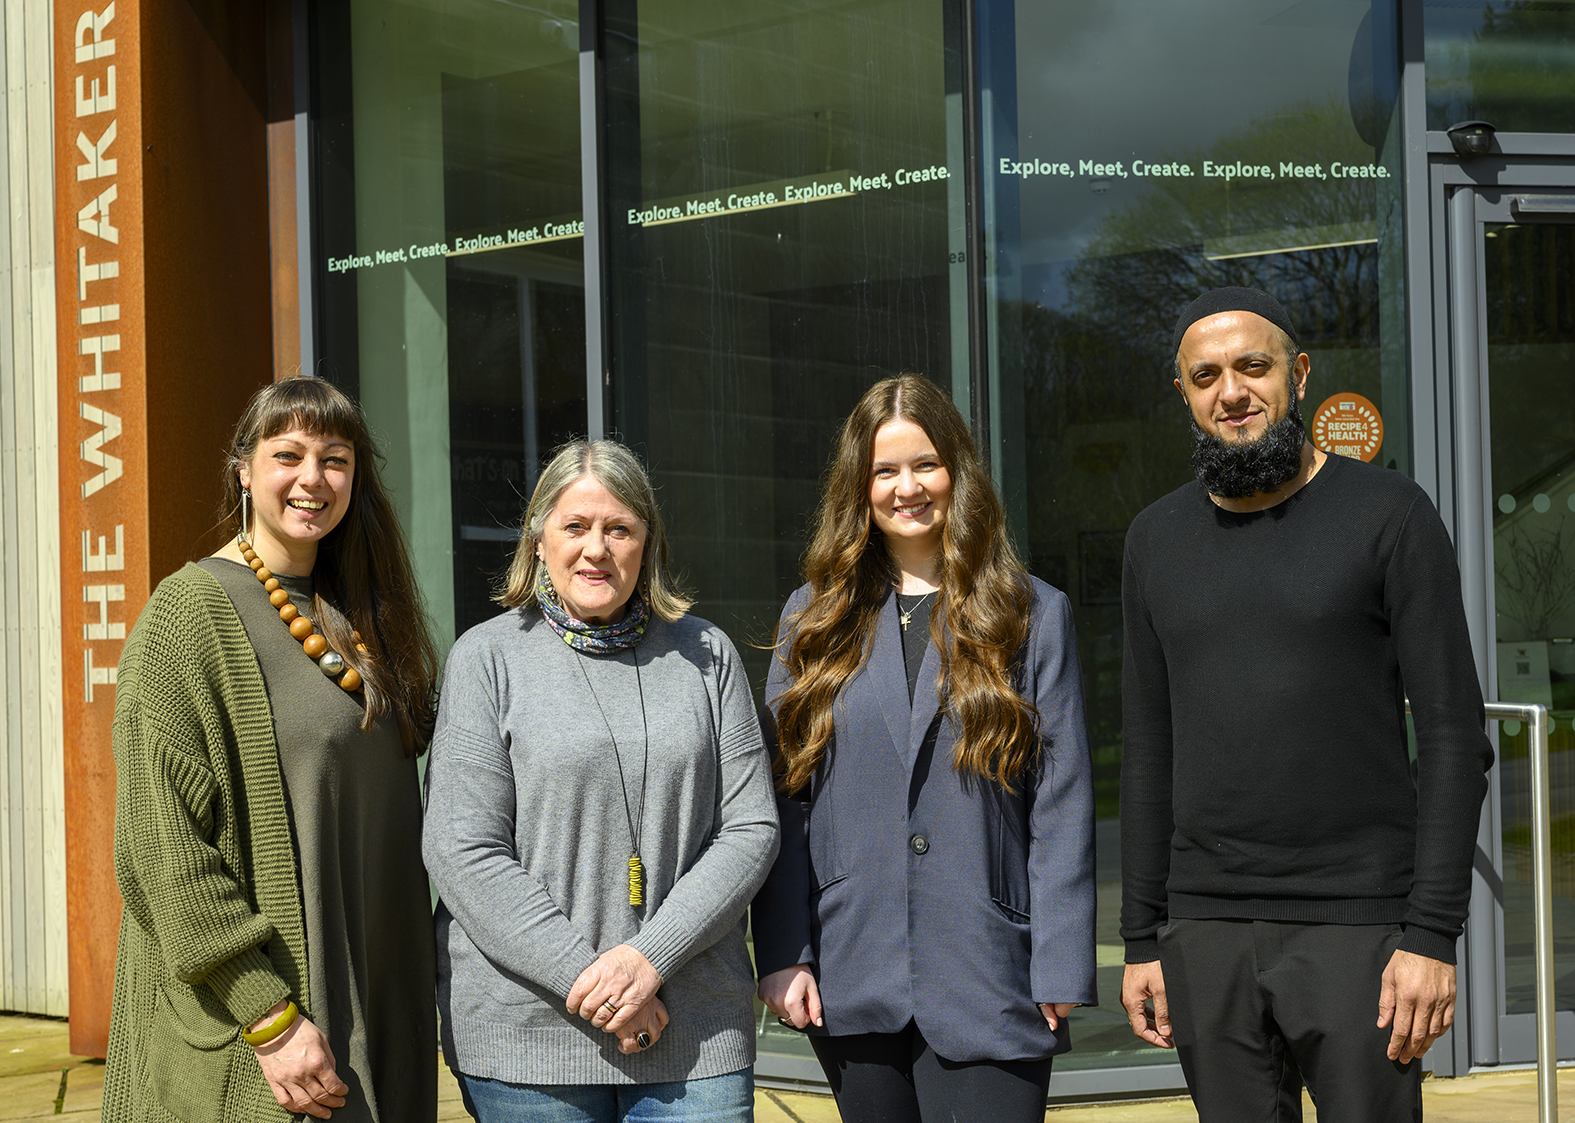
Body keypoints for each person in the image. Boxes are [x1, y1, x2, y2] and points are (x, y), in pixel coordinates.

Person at [1119, 287, 1496, 1120]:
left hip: (1359, 928)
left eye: (1252, 366)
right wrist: (1142, 936)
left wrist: (1431, 933)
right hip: (1207, 927)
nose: (1232, 392)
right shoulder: (1154, 538)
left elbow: (1450, 736)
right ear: (1181, 391)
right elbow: (1148, 744)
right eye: (1205, 374)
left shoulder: (1389, 514)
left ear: (1298, 374)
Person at [752, 374, 1096, 1122]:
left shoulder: (1032, 612)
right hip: (853, 968)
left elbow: (1060, 799)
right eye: (884, 470)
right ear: (858, 484)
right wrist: (785, 950)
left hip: (989, 967)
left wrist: (1061, 957)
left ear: (957, 473)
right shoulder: (812, 617)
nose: (906, 487)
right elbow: (786, 798)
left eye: (924, 464)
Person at [103, 376, 442, 1123]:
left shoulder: (363, 614)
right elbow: (161, 851)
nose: (313, 479)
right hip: (273, 1030)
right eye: (288, 454)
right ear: (243, 469)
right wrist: (269, 1016)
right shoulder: (187, 617)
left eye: (336, 458)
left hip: (376, 1011)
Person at [421, 438, 779, 1123]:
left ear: (648, 543)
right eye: (575, 526)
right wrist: (595, 982)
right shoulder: (486, 659)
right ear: (538, 539)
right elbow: (462, 848)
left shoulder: (708, 657)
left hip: (692, 1030)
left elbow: (750, 826)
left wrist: (648, 959)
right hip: (527, 1039)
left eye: (619, 528)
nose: (596, 548)